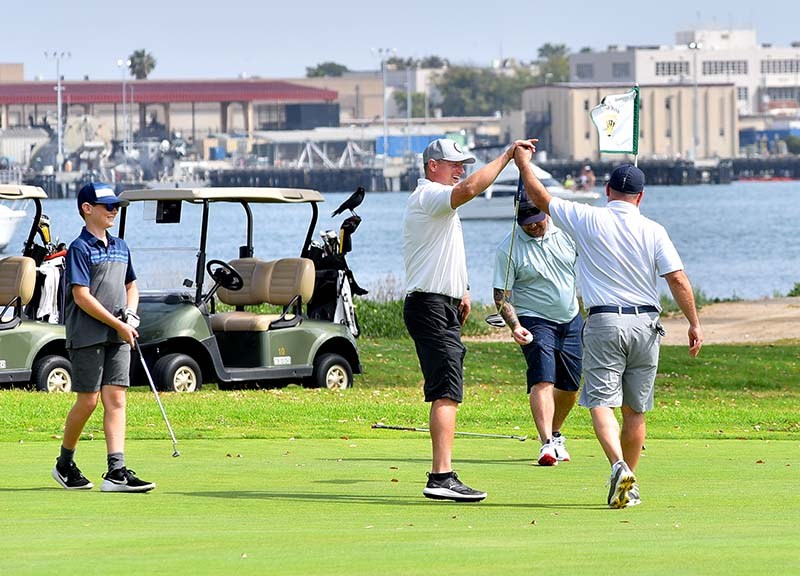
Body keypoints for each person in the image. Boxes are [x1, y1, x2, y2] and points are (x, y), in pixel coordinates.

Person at [514, 152, 703, 509]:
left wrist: (523, 164)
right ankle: (628, 483)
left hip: (604, 322)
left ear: (607, 190)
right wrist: (694, 323)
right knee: (636, 411)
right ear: (641, 196)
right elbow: (677, 278)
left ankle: (618, 466)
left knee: (601, 402)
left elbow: (540, 198)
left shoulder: (588, 218)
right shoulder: (654, 230)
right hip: (647, 326)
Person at [403, 137, 535, 502]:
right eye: (453, 163)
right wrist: (508, 156)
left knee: (448, 387)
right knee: (446, 390)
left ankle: (442, 474)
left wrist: (463, 288)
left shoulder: (438, 203)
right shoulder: (428, 195)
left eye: (463, 163)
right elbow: (471, 188)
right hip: (428, 305)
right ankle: (440, 477)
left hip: (441, 304)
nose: (460, 169)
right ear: (433, 166)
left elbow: (444, 252)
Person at [52, 182, 155, 493]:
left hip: (118, 333)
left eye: (115, 206)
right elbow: (81, 296)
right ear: (87, 209)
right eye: (107, 206)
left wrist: (131, 314)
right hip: (87, 335)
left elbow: (131, 286)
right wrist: (118, 323)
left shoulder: (121, 246)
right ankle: (64, 463)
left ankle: (116, 471)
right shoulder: (79, 248)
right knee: (88, 401)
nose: (113, 210)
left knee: (117, 399)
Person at [492, 197, 582, 467]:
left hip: (571, 318)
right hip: (534, 319)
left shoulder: (567, 236)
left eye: (537, 221)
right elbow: (501, 296)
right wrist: (515, 325)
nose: (532, 227)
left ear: (547, 213)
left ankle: (555, 435)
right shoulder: (508, 248)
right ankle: (545, 444)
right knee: (543, 380)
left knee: (570, 387)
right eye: (526, 223)